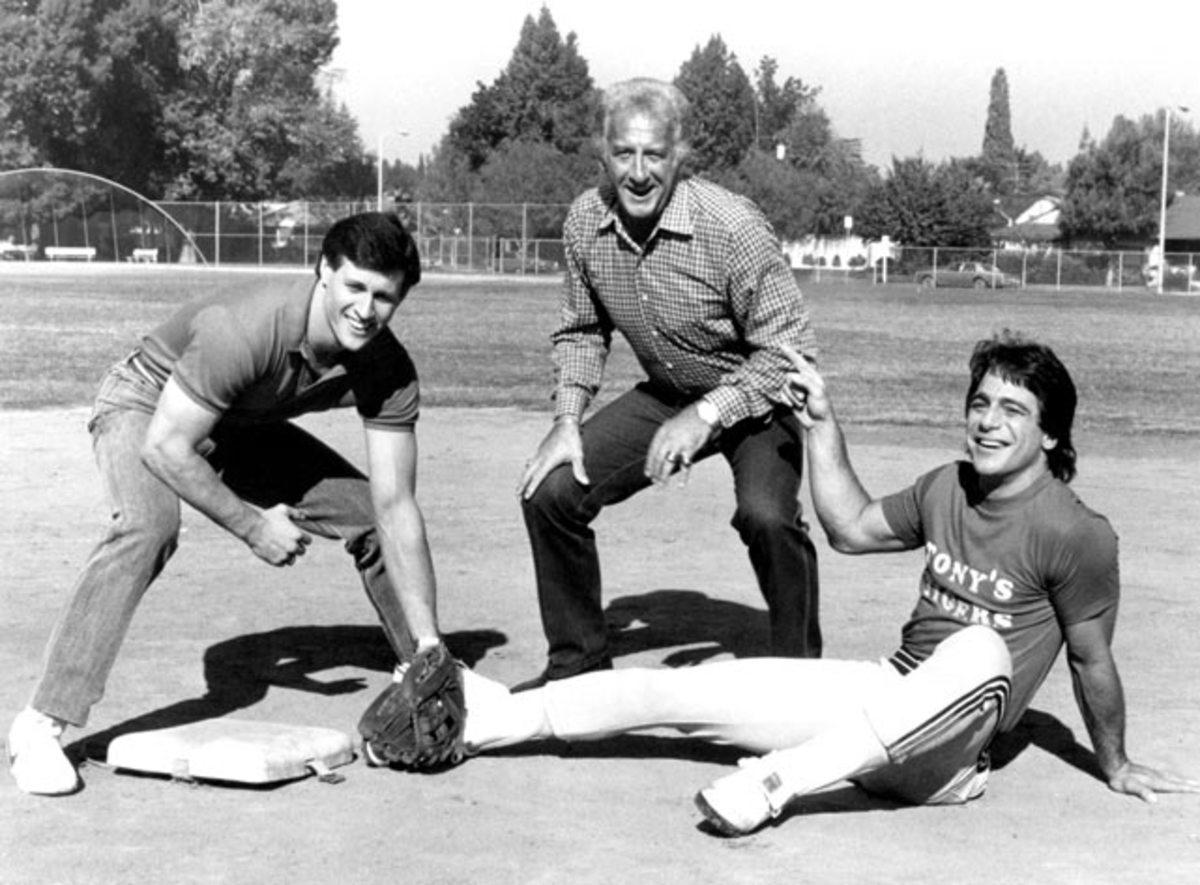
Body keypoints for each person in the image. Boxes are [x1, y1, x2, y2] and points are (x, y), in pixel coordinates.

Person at [449, 332, 1199, 834]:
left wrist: (1116, 761)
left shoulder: (1078, 531)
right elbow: (852, 527)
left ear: (1052, 434)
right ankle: (491, 719)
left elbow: (1091, 658)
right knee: (681, 692)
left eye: (1013, 410)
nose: (988, 422)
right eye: (979, 403)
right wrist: (821, 423)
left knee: (978, 648)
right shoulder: (948, 484)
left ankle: (776, 783)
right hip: (877, 706)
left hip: (947, 754)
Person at [8, 212, 444, 796]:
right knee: (149, 526)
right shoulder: (244, 327)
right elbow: (167, 449)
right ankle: (40, 725)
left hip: (239, 422)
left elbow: (395, 507)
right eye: (355, 287)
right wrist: (250, 525)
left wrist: (431, 646)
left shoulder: (387, 367)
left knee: (368, 515)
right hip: (147, 403)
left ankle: (424, 671)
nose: (366, 309)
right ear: (323, 272)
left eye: (385, 296)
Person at [515, 77, 820, 689]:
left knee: (765, 515)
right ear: (601, 154)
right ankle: (577, 669)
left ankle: (802, 676)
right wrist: (566, 421)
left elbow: (791, 356)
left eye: (654, 154)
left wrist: (706, 415)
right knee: (549, 492)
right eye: (623, 153)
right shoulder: (584, 221)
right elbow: (580, 329)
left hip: (756, 395)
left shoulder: (730, 225)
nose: (637, 172)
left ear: (680, 156)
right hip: (666, 393)